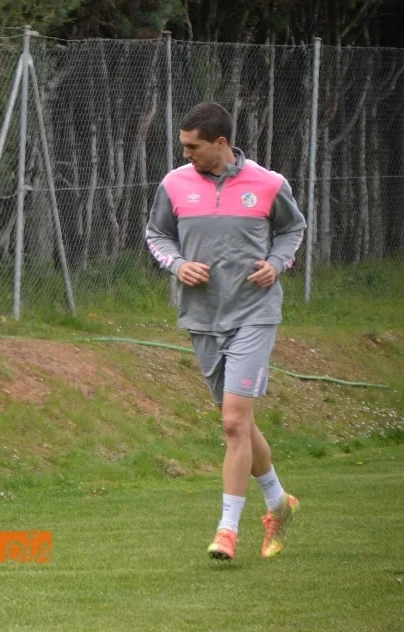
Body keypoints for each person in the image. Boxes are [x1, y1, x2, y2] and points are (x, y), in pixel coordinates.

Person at [145, 103, 307, 561]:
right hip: (201, 318)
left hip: (254, 313)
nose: (185, 153)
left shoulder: (269, 183)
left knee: (234, 422)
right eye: (183, 145)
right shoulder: (174, 184)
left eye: (192, 146)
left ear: (220, 143)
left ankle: (227, 530)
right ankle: (279, 503)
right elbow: (157, 236)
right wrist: (177, 265)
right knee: (239, 422)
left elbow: (292, 230)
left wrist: (275, 265)